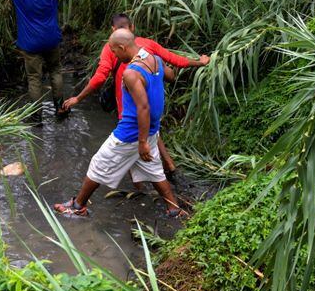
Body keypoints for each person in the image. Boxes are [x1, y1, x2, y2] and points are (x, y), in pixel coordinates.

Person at [53, 28, 186, 218]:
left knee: (98, 164)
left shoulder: (131, 73)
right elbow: (170, 75)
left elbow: (143, 108)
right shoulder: (153, 59)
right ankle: (174, 209)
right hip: (151, 131)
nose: (114, 55)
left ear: (123, 47)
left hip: (130, 134)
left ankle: (77, 206)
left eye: (114, 51)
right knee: (154, 170)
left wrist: (141, 143)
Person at [62, 13, 209, 178]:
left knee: (133, 137)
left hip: (127, 105)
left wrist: (78, 98)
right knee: (150, 131)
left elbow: (100, 77)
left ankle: (139, 183)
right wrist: (200, 62)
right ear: (132, 28)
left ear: (112, 30)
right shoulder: (147, 44)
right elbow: (174, 59)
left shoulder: (111, 48)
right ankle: (167, 168)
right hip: (152, 100)